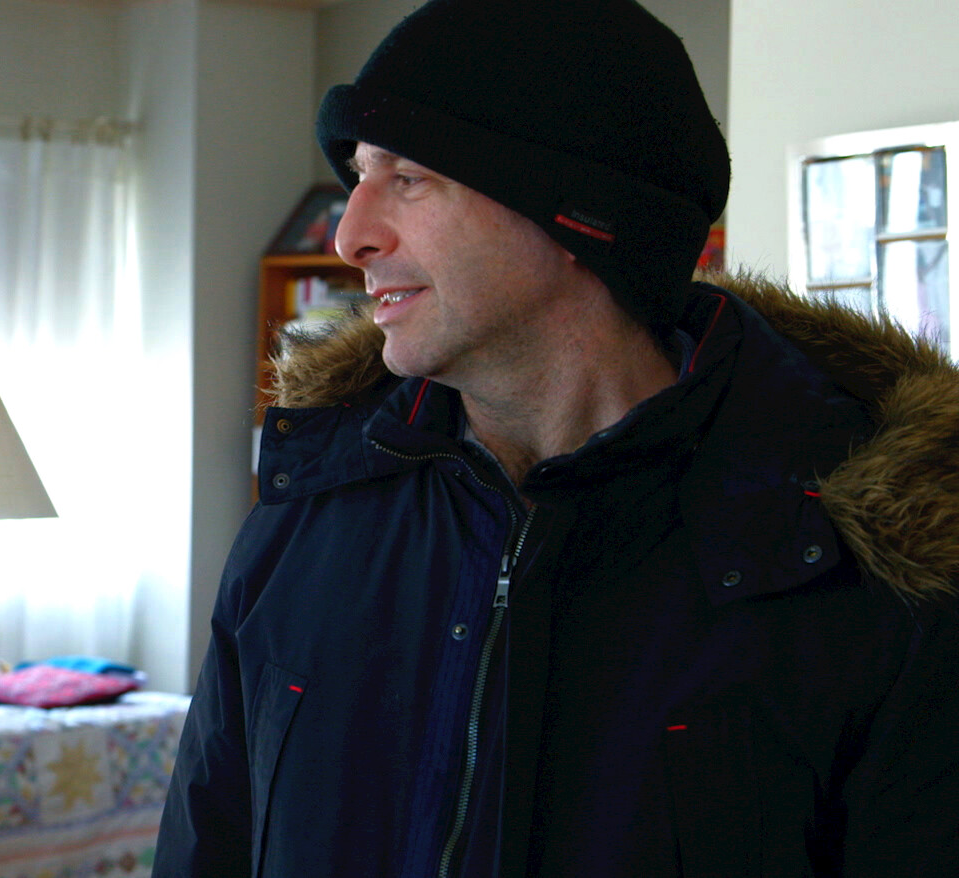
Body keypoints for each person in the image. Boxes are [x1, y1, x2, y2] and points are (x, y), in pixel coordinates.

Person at [154, 0, 959, 875]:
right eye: (358, 175)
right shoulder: (306, 517)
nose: (351, 236)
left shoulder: (866, 569)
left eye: (410, 177)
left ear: (582, 216)